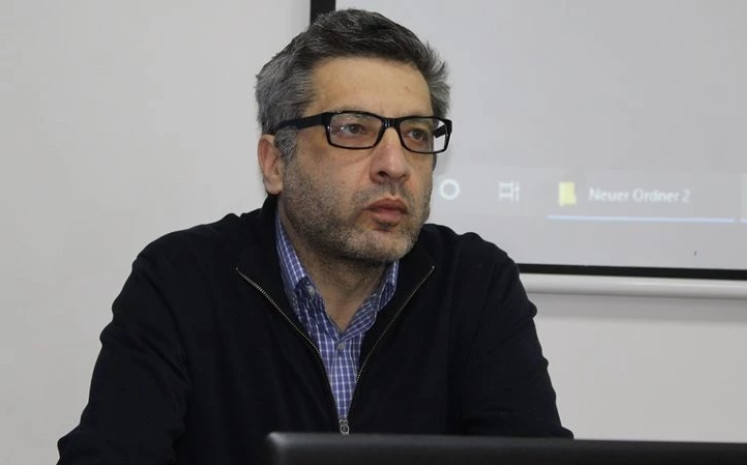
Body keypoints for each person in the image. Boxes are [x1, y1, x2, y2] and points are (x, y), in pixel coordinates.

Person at [57, 8, 572, 465]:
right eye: (353, 128)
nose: (395, 164)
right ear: (275, 162)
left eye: (416, 133)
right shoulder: (181, 280)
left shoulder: (474, 283)